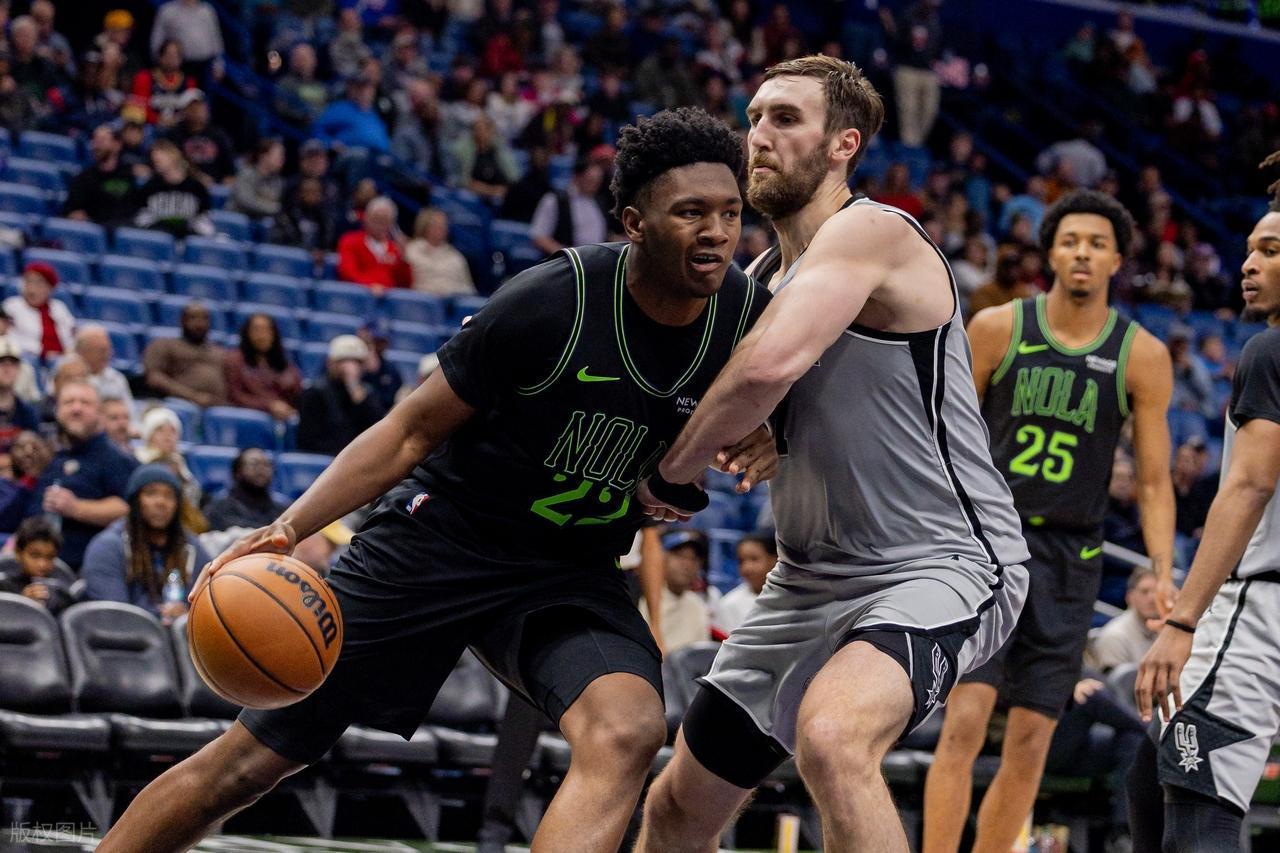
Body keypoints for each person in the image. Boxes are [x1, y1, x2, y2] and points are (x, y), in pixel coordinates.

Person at [97, 106, 772, 853]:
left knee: (629, 729)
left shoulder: (749, 316)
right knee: (249, 764)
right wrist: (288, 527)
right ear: (635, 223)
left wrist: (772, 439)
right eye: (690, 212)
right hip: (440, 539)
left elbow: (801, 414)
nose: (718, 232)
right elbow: (409, 431)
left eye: (730, 212)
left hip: (567, 569)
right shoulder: (554, 300)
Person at [634, 56, 1027, 853]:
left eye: (785, 119)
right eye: (753, 117)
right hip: (808, 580)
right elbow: (753, 395)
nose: (758, 136)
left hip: (939, 563)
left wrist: (669, 475)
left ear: (844, 144)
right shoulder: (760, 276)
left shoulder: (874, 232)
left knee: (834, 736)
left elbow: (769, 367)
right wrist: (760, 432)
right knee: (677, 806)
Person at [923, 190, 1176, 853]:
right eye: (1070, 241)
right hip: (989, 545)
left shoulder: (1142, 354)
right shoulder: (997, 328)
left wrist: (1163, 569)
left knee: (1033, 738)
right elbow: (944, 433)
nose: (1082, 253)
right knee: (964, 721)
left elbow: (1153, 481)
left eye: (1097, 243)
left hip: (1071, 556)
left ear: (1117, 259)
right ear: (1051, 254)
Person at [1130, 189, 1280, 853]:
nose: (1248, 264)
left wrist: (1182, 622)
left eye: (1270, 251)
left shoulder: (1269, 351)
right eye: (1249, 250)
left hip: (1258, 607)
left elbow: (1249, 484)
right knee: (1149, 768)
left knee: (1198, 818)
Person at [28, 381, 137, 571]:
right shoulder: (53, 456)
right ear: (57, 411)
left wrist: (75, 508)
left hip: (86, 568)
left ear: (100, 413)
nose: (76, 409)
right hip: (38, 563)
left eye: (85, 403)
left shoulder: (115, 458)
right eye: (68, 402)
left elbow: (127, 508)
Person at [82, 464, 210, 624]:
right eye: (151, 493)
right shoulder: (107, 547)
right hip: (124, 637)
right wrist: (160, 615)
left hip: (181, 636)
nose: (161, 502)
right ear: (135, 500)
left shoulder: (190, 547)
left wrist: (187, 615)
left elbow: (210, 604)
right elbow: (114, 615)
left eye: (169, 496)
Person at [296, 335, 386, 456]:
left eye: (356, 362)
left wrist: (356, 390)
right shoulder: (316, 392)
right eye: (344, 361)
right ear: (330, 363)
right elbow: (307, 441)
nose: (350, 367)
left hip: (359, 458)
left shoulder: (367, 393)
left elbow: (377, 431)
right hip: (326, 458)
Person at [638, 529, 711, 654]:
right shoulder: (644, 598)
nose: (687, 564)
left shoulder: (697, 605)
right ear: (661, 558)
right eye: (680, 556)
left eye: (693, 559)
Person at [142, 302, 226, 407]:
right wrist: (192, 396)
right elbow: (154, 378)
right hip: (178, 404)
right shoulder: (164, 345)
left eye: (204, 318)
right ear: (182, 320)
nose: (199, 323)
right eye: (193, 318)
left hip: (218, 408)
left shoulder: (219, 352)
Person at [223, 313, 303, 420]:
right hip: (247, 420)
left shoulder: (285, 366)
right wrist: (269, 406)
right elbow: (234, 396)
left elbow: (297, 395)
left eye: (267, 330)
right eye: (256, 330)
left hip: (283, 420)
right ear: (247, 333)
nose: (262, 335)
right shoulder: (234, 361)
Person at [63, 124, 140, 228]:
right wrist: (74, 214)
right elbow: (70, 210)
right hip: (95, 229)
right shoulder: (83, 178)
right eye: (95, 140)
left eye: (102, 140)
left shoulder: (130, 175)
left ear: (117, 145)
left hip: (126, 229)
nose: (97, 145)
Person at [134, 140, 214, 238]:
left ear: (173, 156)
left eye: (159, 159)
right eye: (154, 160)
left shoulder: (196, 188)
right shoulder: (150, 187)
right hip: (158, 239)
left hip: (187, 239)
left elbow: (204, 223)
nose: (155, 161)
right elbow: (140, 220)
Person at [530, 157, 608, 257]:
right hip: (566, 260)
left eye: (598, 182)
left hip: (596, 259)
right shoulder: (555, 200)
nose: (595, 186)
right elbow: (539, 237)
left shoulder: (598, 202)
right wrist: (569, 255)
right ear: (576, 177)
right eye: (590, 181)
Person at [1087, 567, 1161, 672]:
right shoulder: (1114, 637)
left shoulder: (1168, 630)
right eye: (1144, 592)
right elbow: (1115, 682)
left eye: (1157, 592)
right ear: (1130, 597)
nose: (1152, 598)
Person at [0, 517, 74, 615]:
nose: (42, 564)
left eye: (50, 557)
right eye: (35, 555)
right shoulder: (4, 589)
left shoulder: (61, 593)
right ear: (18, 553)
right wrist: (21, 603)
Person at [204, 448, 288, 532]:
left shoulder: (281, 507)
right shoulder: (220, 506)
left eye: (266, 465)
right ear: (238, 472)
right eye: (254, 464)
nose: (261, 469)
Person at [336, 196, 411, 289]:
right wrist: (369, 286)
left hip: (388, 296)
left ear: (391, 224)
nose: (380, 225)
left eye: (384, 221)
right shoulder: (350, 241)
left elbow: (404, 284)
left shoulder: (395, 249)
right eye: (376, 219)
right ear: (366, 218)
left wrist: (403, 259)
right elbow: (347, 272)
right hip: (356, 295)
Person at [3, 263, 75, 360]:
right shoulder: (11, 306)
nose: (32, 289)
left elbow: (70, 336)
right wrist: (43, 352)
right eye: (28, 282)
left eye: (39, 284)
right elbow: (9, 339)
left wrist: (68, 352)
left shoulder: (58, 307)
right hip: (28, 357)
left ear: (50, 288)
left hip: (59, 358)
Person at [712, 530, 776, 636]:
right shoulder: (730, 604)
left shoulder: (793, 597)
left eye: (754, 559)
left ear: (774, 560)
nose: (747, 568)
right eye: (741, 561)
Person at [404, 208, 475, 297]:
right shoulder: (410, 250)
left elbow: (469, 288)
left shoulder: (456, 256)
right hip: (422, 299)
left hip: (453, 300)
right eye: (436, 225)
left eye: (443, 225)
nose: (441, 228)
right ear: (424, 226)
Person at [130, 38, 195, 127]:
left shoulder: (189, 82)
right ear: (160, 57)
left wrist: (176, 120)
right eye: (169, 55)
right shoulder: (144, 78)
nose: (173, 59)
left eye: (177, 55)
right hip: (150, 125)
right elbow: (138, 107)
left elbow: (192, 109)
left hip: (180, 127)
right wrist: (157, 119)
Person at [75, 324, 133, 410]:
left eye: (108, 349)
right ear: (82, 351)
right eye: (101, 350)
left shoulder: (116, 379)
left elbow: (129, 412)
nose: (107, 355)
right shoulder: (69, 375)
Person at [227, 138, 286, 218]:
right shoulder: (246, 174)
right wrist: (277, 208)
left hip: (260, 221)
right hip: (237, 219)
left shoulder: (278, 181)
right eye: (279, 155)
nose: (282, 160)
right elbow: (247, 202)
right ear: (264, 156)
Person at [0, 337, 38, 452]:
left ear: (19, 369)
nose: (7, 369)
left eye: (12, 364)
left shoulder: (27, 412)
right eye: (1, 363)